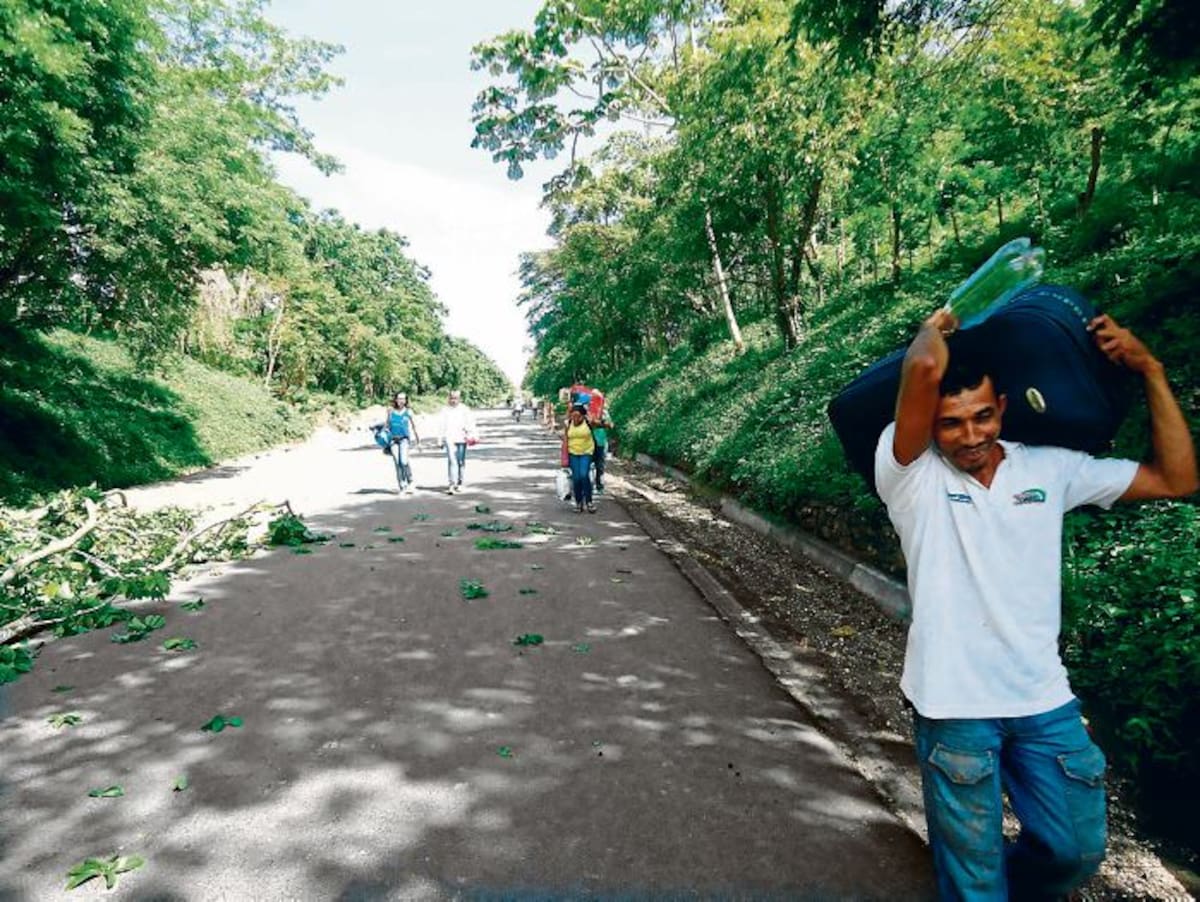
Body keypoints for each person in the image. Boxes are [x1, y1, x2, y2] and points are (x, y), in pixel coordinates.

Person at [877, 306, 1197, 900]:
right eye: (950, 424)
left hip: (1042, 699)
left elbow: (1177, 479)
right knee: (973, 879)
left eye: (981, 416)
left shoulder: (1051, 469)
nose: (970, 436)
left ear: (1002, 407)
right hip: (954, 705)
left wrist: (1149, 369)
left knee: (1075, 849)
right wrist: (933, 327)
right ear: (930, 427)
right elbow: (923, 368)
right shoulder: (909, 475)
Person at [437, 389, 477, 494]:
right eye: (451, 398)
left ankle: (460, 482)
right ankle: (451, 484)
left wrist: (471, 434)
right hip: (449, 438)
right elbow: (441, 425)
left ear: (459, 399)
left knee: (460, 461)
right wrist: (440, 440)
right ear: (449, 398)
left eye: (455, 398)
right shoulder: (445, 410)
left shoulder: (464, 409)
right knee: (452, 461)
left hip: (462, 438)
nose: (453, 400)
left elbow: (470, 423)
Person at [383, 392, 419, 495]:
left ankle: (410, 480)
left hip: (404, 439)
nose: (401, 401)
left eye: (403, 399)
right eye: (399, 399)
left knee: (403, 461)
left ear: (406, 400)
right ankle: (402, 486)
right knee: (397, 463)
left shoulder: (408, 411)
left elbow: (414, 426)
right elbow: (387, 424)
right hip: (393, 440)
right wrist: (384, 436)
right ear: (396, 400)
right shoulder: (390, 411)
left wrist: (417, 439)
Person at [562, 404, 596, 513]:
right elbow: (566, 439)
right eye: (573, 416)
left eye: (578, 416)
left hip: (586, 452)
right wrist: (564, 456)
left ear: (583, 416)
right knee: (576, 478)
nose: (575, 419)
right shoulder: (568, 423)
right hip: (573, 453)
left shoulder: (589, 422)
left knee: (583, 475)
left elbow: (602, 424)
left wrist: (608, 424)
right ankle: (578, 502)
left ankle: (589, 501)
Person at [590, 405, 614, 493]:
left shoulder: (604, 412)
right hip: (588, 443)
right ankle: (589, 485)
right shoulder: (588, 410)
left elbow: (611, 425)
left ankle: (600, 486)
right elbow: (589, 423)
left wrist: (599, 423)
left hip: (601, 442)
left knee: (600, 466)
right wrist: (602, 424)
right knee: (588, 465)